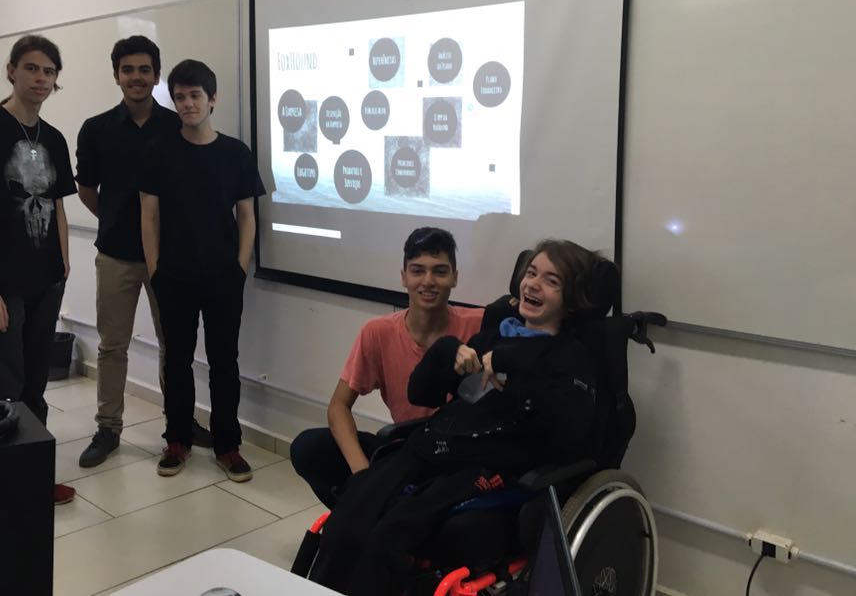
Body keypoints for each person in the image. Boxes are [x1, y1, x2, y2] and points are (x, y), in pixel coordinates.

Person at [309, 240, 604, 595]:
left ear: (570, 301)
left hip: (487, 465)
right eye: (531, 273)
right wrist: (445, 352)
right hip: (433, 446)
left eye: (551, 281)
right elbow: (421, 393)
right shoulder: (497, 333)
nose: (534, 284)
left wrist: (513, 363)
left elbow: (568, 433)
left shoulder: (570, 358)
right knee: (348, 519)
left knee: (389, 535)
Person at [74, 36, 213, 468]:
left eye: (145, 70)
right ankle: (108, 428)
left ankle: (180, 423)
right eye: (128, 69)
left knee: (176, 345)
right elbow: (86, 189)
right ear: (116, 75)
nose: (137, 77)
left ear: (157, 76)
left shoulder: (176, 126)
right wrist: (117, 219)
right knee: (112, 346)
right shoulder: (96, 129)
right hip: (115, 255)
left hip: (169, 256)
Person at [0, 34, 78, 505]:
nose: (40, 79)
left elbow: (58, 205)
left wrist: (63, 264)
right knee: (4, 391)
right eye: (31, 68)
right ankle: (3, 488)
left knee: (35, 388)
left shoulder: (55, 138)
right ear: (11, 71)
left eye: (49, 72)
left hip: (45, 282)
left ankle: (32, 479)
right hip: (2, 284)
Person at [290, 228, 484, 508]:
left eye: (440, 271)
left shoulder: (480, 324)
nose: (428, 281)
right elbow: (338, 407)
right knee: (308, 448)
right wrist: (363, 475)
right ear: (404, 277)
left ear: (455, 277)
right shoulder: (378, 332)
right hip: (407, 450)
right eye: (417, 271)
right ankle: (366, 513)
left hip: (460, 459)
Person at [139, 58, 265, 481]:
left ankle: (228, 445)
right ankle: (177, 440)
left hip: (223, 275)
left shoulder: (235, 154)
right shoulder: (158, 151)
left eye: (195, 96)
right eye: (180, 97)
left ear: (212, 99)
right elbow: (148, 216)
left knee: (224, 361)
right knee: (176, 360)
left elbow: (247, 215)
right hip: (173, 275)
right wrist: (155, 269)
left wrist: (240, 267)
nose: (187, 104)